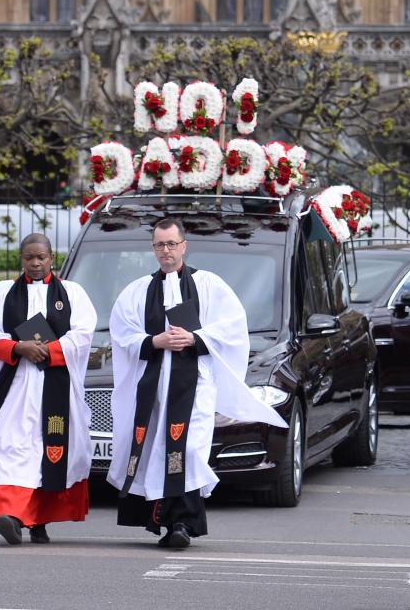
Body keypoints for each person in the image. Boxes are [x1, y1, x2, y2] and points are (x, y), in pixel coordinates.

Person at [108, 217, 287, 549]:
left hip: (195, 386)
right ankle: (167, 522)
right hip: (154, 388)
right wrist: (155, 341)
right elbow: (122, 334)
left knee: (188, 450)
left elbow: (233, 328)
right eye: (160, 245)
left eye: (171, 244)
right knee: (155, 450)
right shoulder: (138, 291)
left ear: (184, 246)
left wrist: (194, 337)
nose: (166, 251)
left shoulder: (209, 285)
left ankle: (185, 523)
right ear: (153, 249)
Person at [0, 233, 96, 546]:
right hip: (14, 388)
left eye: (40, 257)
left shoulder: (72, 293)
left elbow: (83, 335)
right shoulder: (4, 292)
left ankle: (39, 521)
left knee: (49, 452)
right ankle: (11, 516)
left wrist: (49, 351)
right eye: (28, 257)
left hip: (55, 385)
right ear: (21, 258)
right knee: (8, 448)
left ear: (51, 258)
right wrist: (19, 348)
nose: (34, 263)